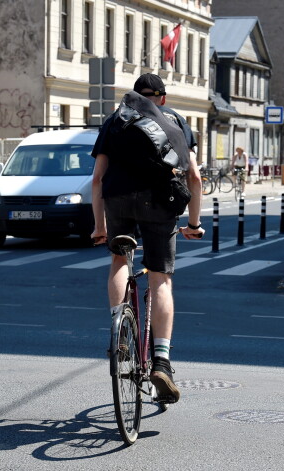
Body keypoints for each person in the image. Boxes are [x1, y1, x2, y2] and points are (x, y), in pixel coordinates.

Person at [90, 73, 204, 402]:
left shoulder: (115, 120)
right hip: (161, 203)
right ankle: (163, 363)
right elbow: (194, 177)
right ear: (162, 98)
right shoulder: (176, 122)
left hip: (119, 200)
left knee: (119, 258)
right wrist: (193, 223)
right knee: (161, 279)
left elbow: (97, 179)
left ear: (133, 96)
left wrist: (100, 226)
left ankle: (119, 330)